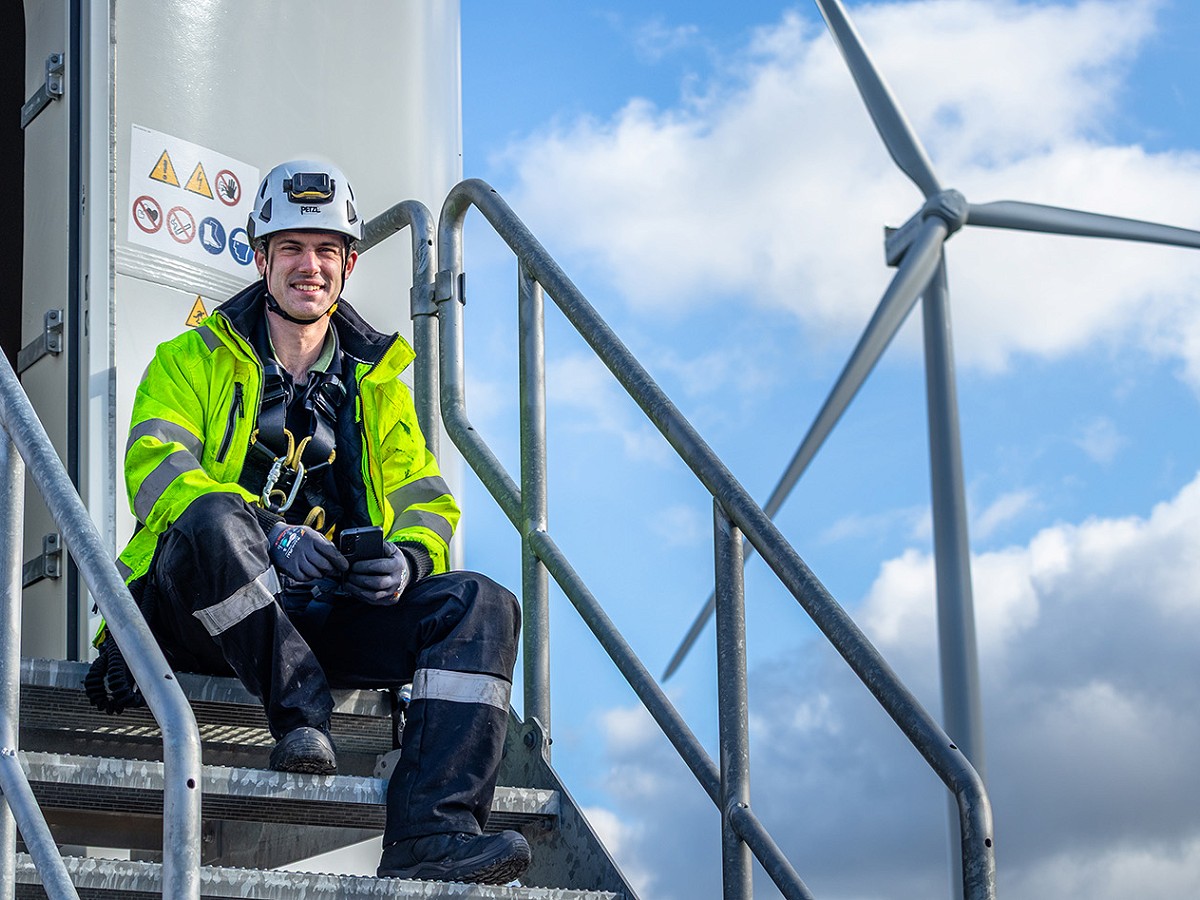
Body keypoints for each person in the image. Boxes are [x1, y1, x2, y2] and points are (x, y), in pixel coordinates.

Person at [94, 160, 530, 885]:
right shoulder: (191, 357)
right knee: (211, 514)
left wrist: (409, 561)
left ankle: (433, 834)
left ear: (349, 264)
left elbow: (427, 503)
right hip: (196, 609)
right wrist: (272, 534)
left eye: (327, 250)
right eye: (291, 247)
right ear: (259, 257)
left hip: (318, 617)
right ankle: (303, 719)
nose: (310, 266)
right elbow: (159, 473)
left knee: (482, 605)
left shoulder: (378, 384)